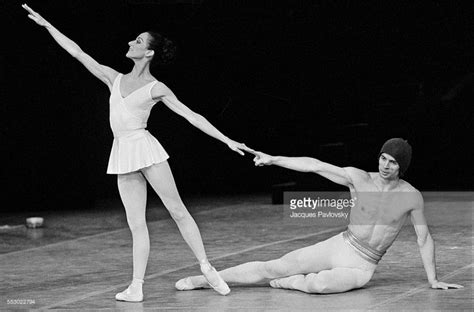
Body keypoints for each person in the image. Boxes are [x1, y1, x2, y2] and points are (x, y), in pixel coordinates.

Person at [22, 3, 254, 301]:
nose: (131, 42)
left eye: (139, 41)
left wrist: (226, 140)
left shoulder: (156, 88)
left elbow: (191, 116)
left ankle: (207, 268)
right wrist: (47, 25)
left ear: (149, 53)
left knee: (177, 210)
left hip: (145, 148)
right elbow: (77, 52)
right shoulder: (113, 77)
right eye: (134, 39)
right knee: (136, 224)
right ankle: (136, 286)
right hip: (123, 152)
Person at [175, 138, 463, 294]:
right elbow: (314, 165)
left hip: (363, 265)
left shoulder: (410, 196)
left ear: (403, 167)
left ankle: (293, 282)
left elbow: (424, 239)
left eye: (393, 162)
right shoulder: (359, 178)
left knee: (319, 284)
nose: (386, 165)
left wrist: (433, 279)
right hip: (342, 244)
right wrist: (274, 159)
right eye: (383, 158)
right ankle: (204, 280)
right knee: (273, 266)